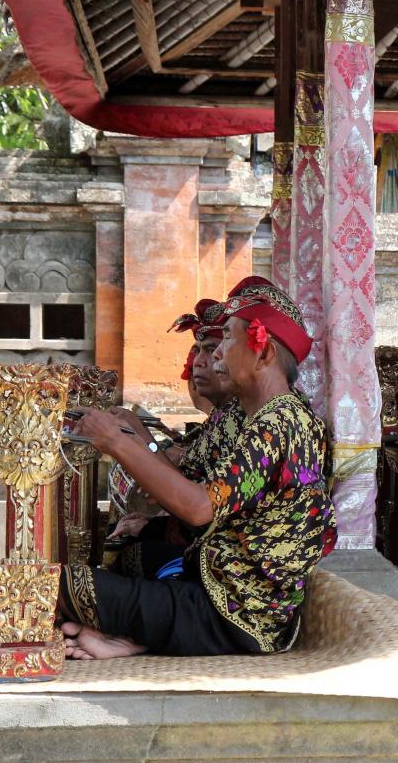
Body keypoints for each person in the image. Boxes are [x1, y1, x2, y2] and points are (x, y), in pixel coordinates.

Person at [59, 276, 336, 659]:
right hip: (219, 589)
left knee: (53, 587)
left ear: (264, 353)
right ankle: (134, 638)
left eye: (226, 339)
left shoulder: (280, 424)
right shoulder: (273, 417)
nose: (215, 354)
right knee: (128, 556)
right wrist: (136, 438)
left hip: (233, 615)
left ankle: (144, 631)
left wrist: (118, 442)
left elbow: (198, 506)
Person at [109, 299, 245, 580]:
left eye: (213, 350)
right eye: (198, 351)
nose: (199, 362)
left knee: (127, 558)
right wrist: (140, 436)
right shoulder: (223, 418)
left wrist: (124, 442)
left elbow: (196, 507)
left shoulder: (258, 419)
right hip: (208, 548)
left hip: (227, 572)